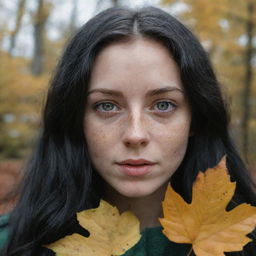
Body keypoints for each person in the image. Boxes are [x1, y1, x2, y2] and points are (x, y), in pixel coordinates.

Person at [1, 6, 256, 256]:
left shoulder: (245, 239)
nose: (135, 135)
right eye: (107, 106)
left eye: (163, 105)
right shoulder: (10, 244)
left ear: (196, 119)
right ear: (75, 119)